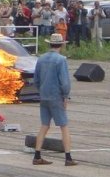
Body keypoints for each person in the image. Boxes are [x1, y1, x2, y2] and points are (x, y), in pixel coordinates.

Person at [32, 33, 77, 166]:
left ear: (50, 44)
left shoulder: (41, 59)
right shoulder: (61, 60)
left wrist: (42, 90)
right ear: (61, 45)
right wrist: (65, 96)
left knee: (44, 125)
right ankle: (68, 157)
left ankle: (37, 155)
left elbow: (36, 79)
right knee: (64, 126)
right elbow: (65, 82)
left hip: (44, 95)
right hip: (56, 96)